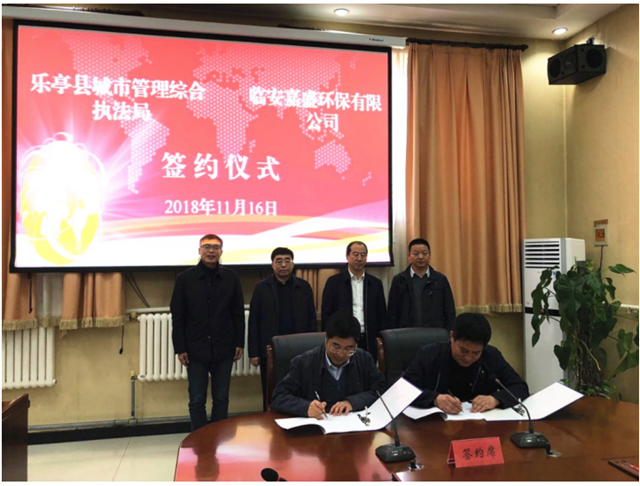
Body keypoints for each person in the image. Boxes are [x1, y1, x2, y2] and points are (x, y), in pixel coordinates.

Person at [170, 234, 245, 431]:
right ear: (199, 251)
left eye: (215, 247)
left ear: (221, 252)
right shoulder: (184, 279)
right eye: (207, 247)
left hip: (224, 347)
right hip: (195, 348)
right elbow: (178, 316)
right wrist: (180, 348)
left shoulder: (231, 278)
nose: (211, 251)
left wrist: (239, 343)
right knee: (197, 399)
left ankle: (218, 438)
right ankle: (199, 439)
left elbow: (238, 313)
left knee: (221, 398)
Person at [271, 309, 388, 419]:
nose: (341, 354)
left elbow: (382, 390)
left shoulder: (364, 360)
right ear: (326, 338)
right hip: (317, 428)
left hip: (354, 428)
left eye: (348, 349)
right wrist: (306, 407)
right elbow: (279, 396)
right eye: (335, 346)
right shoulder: (304, 363)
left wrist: (353, 402)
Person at [402, 312, 529, 414]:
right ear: (452, 337)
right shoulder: (429, 354)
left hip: (480, 425)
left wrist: (495, 399)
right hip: (435, 427)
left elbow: (520, 387)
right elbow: (403, 390)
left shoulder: (491, 356)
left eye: (476, 353)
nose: (468, 358)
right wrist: (435, 399)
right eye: (464, 350)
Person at [248, 247, 318, 411]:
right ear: (272, 265)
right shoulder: (262, 287)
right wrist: (254, 353)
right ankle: (270, 418)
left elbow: (311, 319)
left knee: (300, 388)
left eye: (287, 260)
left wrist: (313, 347)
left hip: (299, 348)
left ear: (293, 264)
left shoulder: (303, 286)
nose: (283, 265)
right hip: (271, 349)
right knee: (270, 389)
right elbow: (254, 321)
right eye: (279, 261)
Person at [321, 241, 387, 361]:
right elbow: (327, 313)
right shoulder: (334, 282)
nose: (359, 258)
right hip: (342, 339)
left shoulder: (375, 283)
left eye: (363, 255)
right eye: (355, 254)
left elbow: (381, 314)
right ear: (347, 256)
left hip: (368, 339)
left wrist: (380, 338)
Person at [387, 238, 456, 330]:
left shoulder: (440, 279)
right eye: (416, 254)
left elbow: (449, 309)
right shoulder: (399, 280)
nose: (420, 257)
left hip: (435, 332)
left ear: (429, 255)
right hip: (406, 333)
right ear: (409, 256)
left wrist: (449, 331)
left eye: (424, 253)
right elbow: (392, 311)